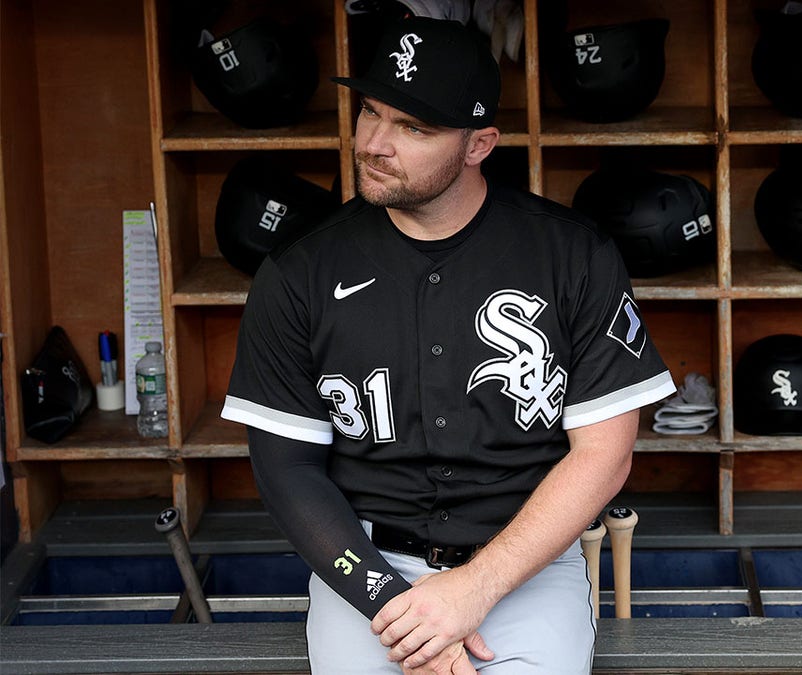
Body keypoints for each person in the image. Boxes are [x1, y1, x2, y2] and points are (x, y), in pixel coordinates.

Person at [220, 14, 676, 675]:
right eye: (371, 111)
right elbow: (287, 473)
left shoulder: (573, 255)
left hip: (524, 566)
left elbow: (605, 455)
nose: (374, 143)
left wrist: (474, 588)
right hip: (365, 574)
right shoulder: (299, 273)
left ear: (479, 143)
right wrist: (400, 613)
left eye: (414, 127)